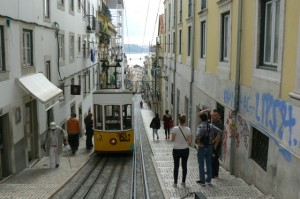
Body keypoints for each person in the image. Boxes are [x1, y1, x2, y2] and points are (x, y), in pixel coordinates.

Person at [195, 112, 222, 186]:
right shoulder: (211, 126)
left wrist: (199, 143)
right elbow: (220, 131)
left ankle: (202, 181)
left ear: (201, 119)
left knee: (201, 164)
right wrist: (214, 140)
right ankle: (209, 180)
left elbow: (197, 136)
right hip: (210, 147)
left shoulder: (200, 126)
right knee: (209, 164)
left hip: (202, 147)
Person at [171, 114, 192, 188]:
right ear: (185, 120)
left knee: (176, 166)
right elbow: (190, 141)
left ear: (179, 120)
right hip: (185, 150)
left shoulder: (175, 129)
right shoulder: (188, 129)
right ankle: (183, 182)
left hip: (176, 149)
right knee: (184, 165)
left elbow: (172, 139)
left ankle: (175, 183)